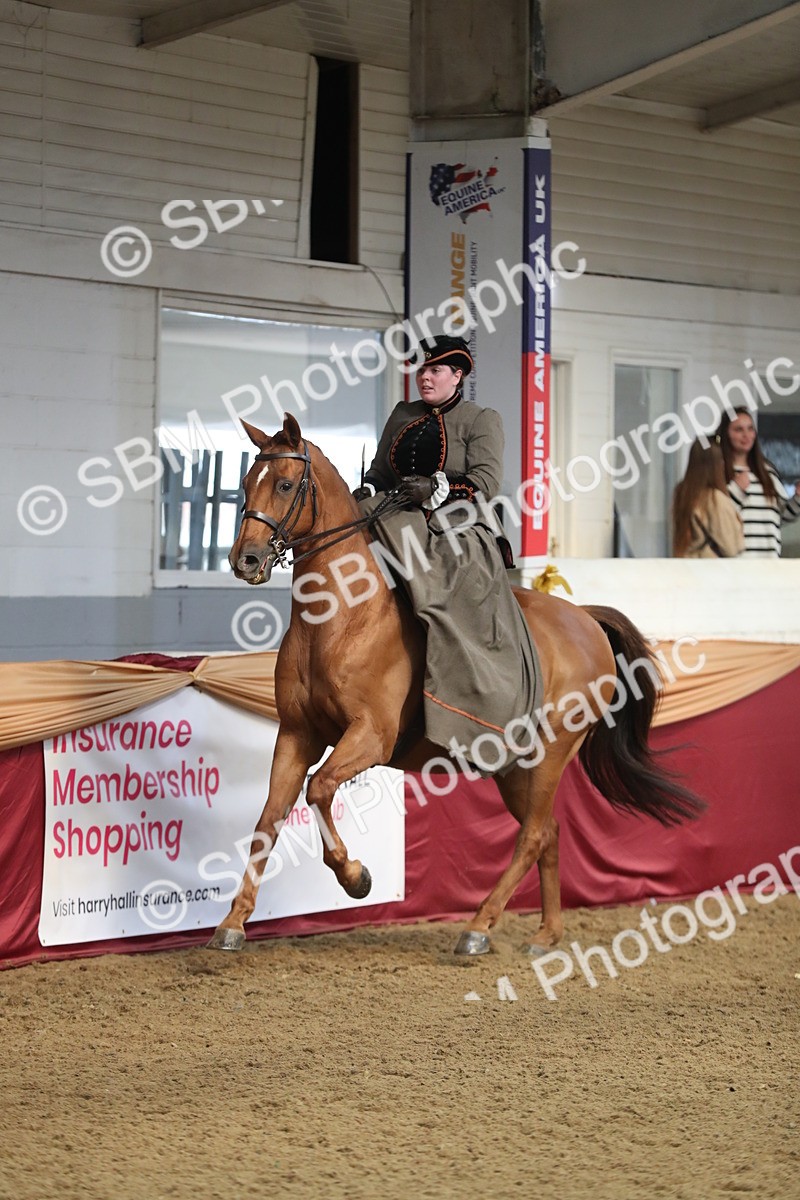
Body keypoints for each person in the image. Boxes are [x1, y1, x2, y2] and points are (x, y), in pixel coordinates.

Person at [353, 334, 541, 771]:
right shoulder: (403, 414)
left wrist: (434, 488)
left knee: (407, 535)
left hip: (455, 526)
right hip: (393, 511)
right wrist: (367, 488)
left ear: (457, 376)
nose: (425, 377)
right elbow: (380, 471)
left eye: (435, 370)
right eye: (420, 370)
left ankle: (455, 671)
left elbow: (485, 483)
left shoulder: (481, 418)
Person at [716, 407, 800, 557]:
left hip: (769, 563)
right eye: (738, 429)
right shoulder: (718, 472)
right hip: (736, 565)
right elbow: (715, 520)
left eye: (750, 429)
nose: (746, 435)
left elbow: (780, 516)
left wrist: (798, 499)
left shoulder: (767, 472)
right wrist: (736, 491)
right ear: (726, 434)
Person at [672, 439, 745, 558]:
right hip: (709, 571)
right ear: (716, 464)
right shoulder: (714, 499)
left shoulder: (683, 494)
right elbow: (731, 548)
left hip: (687, 566)